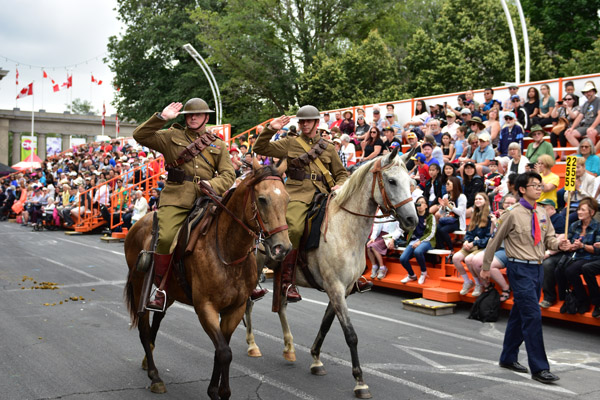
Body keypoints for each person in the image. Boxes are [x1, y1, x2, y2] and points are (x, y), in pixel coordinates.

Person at [133, 98, 236, 311]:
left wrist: (213, 184)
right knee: (167, 237)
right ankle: (161, 289)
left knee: (234, 230)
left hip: (207, 197)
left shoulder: (218, 144)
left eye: (197, 114)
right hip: (177, 198)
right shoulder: (172, 136)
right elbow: (139, 135)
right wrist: (162, 118)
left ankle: (244, 282)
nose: (193, 118)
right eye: (189, 115)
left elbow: (228, 174)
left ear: (206, 117)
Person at [253, 105, 352, 302]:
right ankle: (288, 281)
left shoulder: (328, 147)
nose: (304, 124)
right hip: (297, 193)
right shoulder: (290, 143)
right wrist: (270, 129)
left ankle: (355, 273)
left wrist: (340, 185)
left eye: (308, 121)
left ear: (316, 123)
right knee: (295, 229)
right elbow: (260, 148)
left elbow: (341, 173)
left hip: (324, 194)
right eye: (302, 121)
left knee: (348, 222)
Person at [481, 171, 569, 384]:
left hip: (537, 269)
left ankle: (508, 357)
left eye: (540, 185)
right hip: (519, 269)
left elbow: (549, 240)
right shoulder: (511, 213)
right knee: (532, 316)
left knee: (520, 315)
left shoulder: (541, 212)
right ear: (522, 189)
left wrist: (561, 244)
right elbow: (494, 241)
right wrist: (485, 267)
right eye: (534, 185)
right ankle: (539, 368)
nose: (539, 188)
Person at [555, 197, 600, 315]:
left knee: (570, 270)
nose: (579, 212)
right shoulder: (574, 225)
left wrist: (582, 246)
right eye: (579, 209)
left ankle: (583, 300)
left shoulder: (597, 226)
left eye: (583, 210)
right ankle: (567, 298)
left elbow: (597, 250)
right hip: (575, 255)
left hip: (590, 257)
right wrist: (570, 246)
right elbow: (568, 243)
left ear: (592, 212)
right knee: (559, 269)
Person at [452, 192, 492, 296]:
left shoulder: (489, 217)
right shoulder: (475, 214)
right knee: (456, 258)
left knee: (469, 259)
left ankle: (479, 284)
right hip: (472, 244)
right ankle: (468, 282)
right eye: (476, 199)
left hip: (482, 246)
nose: (477, 201)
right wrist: (466, 240)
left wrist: (473, 243)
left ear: (485, 201)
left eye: (480, 199)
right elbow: (469, 232)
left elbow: (488, 238)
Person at [399, 196, 437, 285]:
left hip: (427, 241)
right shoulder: (414, 217)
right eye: (418, 203)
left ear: (426, 206)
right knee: (403, 258)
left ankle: (423, 272)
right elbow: (404, 228)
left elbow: (431, 233)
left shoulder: (430, 217)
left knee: (418, 251)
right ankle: (411, 275)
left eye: (422, 202)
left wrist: (420, 241)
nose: (420, 205)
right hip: (414, 240)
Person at [435, 176, 467, 254]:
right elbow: (441, 213)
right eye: (446, 184)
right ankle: (442, 248)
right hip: (446, 220)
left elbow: (459, 212)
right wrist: (443, 206)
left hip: (457, 221)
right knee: (437, 228)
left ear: (455, 185)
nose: (446, 186)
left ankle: (451, 249)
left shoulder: (461, 197)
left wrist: (449, 206)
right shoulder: (446, 196)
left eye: (448, 184)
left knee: (443, 230)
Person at [367, 211, 401, 280]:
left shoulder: (397, 212)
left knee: (373, 247)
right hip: (380, 235)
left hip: (391, 236)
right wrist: (373, 238)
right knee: (368, 246)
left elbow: (400, 230)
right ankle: (374, 266)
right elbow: (376, 227)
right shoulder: (380, 213)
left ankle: (382, 268)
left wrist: (393, 239)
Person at [566, 81, 600, 147]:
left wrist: (592, 127)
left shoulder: (598, 100)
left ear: (594, 92)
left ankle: (591, 154)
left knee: (590, 132)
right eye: (586, 92)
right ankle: (581, 151)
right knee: (568, 133)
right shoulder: (585, 104)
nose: (588, 94)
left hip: (597, 126)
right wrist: (572, 128)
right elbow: (580, 116)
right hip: (586, 125)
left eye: (589, 91)